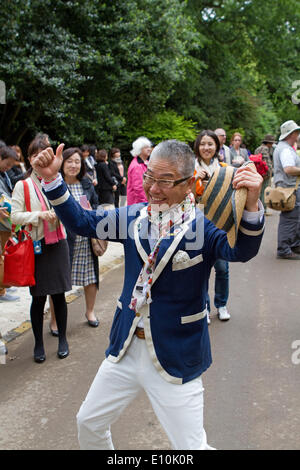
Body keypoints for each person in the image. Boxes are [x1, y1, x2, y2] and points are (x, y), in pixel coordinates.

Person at [32, 139, 264, 450]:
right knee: (88, 422)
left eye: (165, 181)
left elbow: (242, 251)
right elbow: (83, 222)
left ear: (190, 182)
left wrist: (251, 205)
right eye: (149, 177)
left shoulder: (203, 227)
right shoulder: (133, 216)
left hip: (177, 353)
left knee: (192, 447)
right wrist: (51, 179)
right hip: (125, 347)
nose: (153, 189)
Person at [11, 137, 71, 363]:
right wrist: (39, 216)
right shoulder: (22, 185)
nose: (40, 158)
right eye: (36, 155)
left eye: (45, 153)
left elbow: (68, 206)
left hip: (59, 243)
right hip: (36, 247)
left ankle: (63, 339)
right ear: (29, 159)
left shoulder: (57, 179)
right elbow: (15, 217)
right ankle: (38, 344)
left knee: (59, 296)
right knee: (38, 298)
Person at [60, 147, 100, 328]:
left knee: (90, 277)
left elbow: (94, 205)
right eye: (69, 161)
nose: (73, 165)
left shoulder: (86, 184)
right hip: (63, 240)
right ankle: (55, 320)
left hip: (86, 239)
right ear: (61, 162)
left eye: (77, 161)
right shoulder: (56, 184)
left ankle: (90, 311)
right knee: (59, 282)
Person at [194, 130, 230, 322]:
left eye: (210, 144)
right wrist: (195, 179)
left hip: (220, 224)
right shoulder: (189, 169)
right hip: (197, 224)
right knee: (200, 269)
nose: (206, 147)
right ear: (197, 147)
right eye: (203, 144)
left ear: (217, 146)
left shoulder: (224, 168)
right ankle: (204, 307)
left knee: (222, 267)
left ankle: (222, 304)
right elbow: (184, 196)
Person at [273, 120, 300, 260]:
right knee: (289, 219)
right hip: (289, 190)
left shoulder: (284, 148)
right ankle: (284, 249)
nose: (298, 135)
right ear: (292, 134)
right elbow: (288, 169)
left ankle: (293, 245)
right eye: (297, 132)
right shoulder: (285, 149)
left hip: (288, 189)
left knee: (293, 218)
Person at [0, 145, 20, 303]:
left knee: (4, 255)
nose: (8, 168)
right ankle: (1, 290)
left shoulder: (4, 174)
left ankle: (3, 285)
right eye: (7, 164)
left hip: (5, 221)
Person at [126, 136, 152, 205]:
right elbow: (139, 188)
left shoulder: (145, 162)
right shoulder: (137, 166)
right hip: (137, 203)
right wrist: (145, 203)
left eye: (149, 147)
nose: (149, 149)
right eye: (146, 147)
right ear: (139, 149)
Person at [254, 134, 276, 213]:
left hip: (257, 173)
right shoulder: (266, 149)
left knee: (258, 192)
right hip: (265, 174)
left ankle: (257, 208)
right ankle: (264, 210)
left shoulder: (257, 149)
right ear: (268, 143)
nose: (272, 145)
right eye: (271, 143)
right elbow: (267, 163)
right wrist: (270, 172)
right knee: (264, 191)